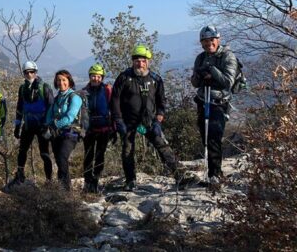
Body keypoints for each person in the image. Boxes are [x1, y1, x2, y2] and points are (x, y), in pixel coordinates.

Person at [112, 45, 188, 191]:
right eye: (137, 61)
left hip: (149, 121)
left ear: (148, 62)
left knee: (162, 145)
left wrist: (160, 117)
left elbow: (161, 101)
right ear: (132, 61)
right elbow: (115, 100)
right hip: (128, 121)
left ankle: (180, 175)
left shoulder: (155, 79)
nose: (140, 64)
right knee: (127, 150)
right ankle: (130, 180)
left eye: (143, 61)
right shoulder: (124, 78)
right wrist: (118, 120)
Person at [191, 26, 238, 187]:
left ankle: (214, 175)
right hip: (203, 101)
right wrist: (200, 75)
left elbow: (228, 81)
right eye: (205, 40)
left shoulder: (228, 56)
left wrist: (212, 70)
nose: (208, 43)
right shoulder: (200, 57)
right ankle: (214, 172)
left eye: (212, 40)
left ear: (218, 39)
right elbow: (194, 82)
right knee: (205, 137)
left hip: (219, 103)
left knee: (214, 137)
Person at [9, 61, 54, 186]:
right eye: (26, 72)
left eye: (31, 72)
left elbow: (51, 107)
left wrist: (47, 125)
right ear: (24, 74)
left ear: (36, 72)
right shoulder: (22, 88)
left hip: (42, 126)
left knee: (44, 153)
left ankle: (49, 180)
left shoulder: (44, 87)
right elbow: (19, 108)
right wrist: (17, 126)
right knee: (22, 151)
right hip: (28, 125)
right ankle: (20, 175)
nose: (29, 74)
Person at [45, 70, 83, 190]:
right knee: (59, 160)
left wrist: (55, 126)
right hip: (57, 135)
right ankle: (62, 188)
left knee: (62, 157)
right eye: (59, 80)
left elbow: (69, 117)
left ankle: (66, 190)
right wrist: (48, 126)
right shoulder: (57, 98)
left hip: (70, 133)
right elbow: (49, 116)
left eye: (64, 80)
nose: (61, 82)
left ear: (69, 81)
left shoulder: (74, 97)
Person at [82, 64, 114, 193]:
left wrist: (114, 128)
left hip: (104, 129)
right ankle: (87, 181)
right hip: (89, 130)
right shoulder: (84, 91)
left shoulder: (107, 90)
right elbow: (80, 111)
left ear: (102, 77)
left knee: (100, 156)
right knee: (88, 156)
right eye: (93, 76)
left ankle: (96, 180)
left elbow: (114, 109)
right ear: (90, 77)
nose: (96, 78)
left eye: (98, 76)